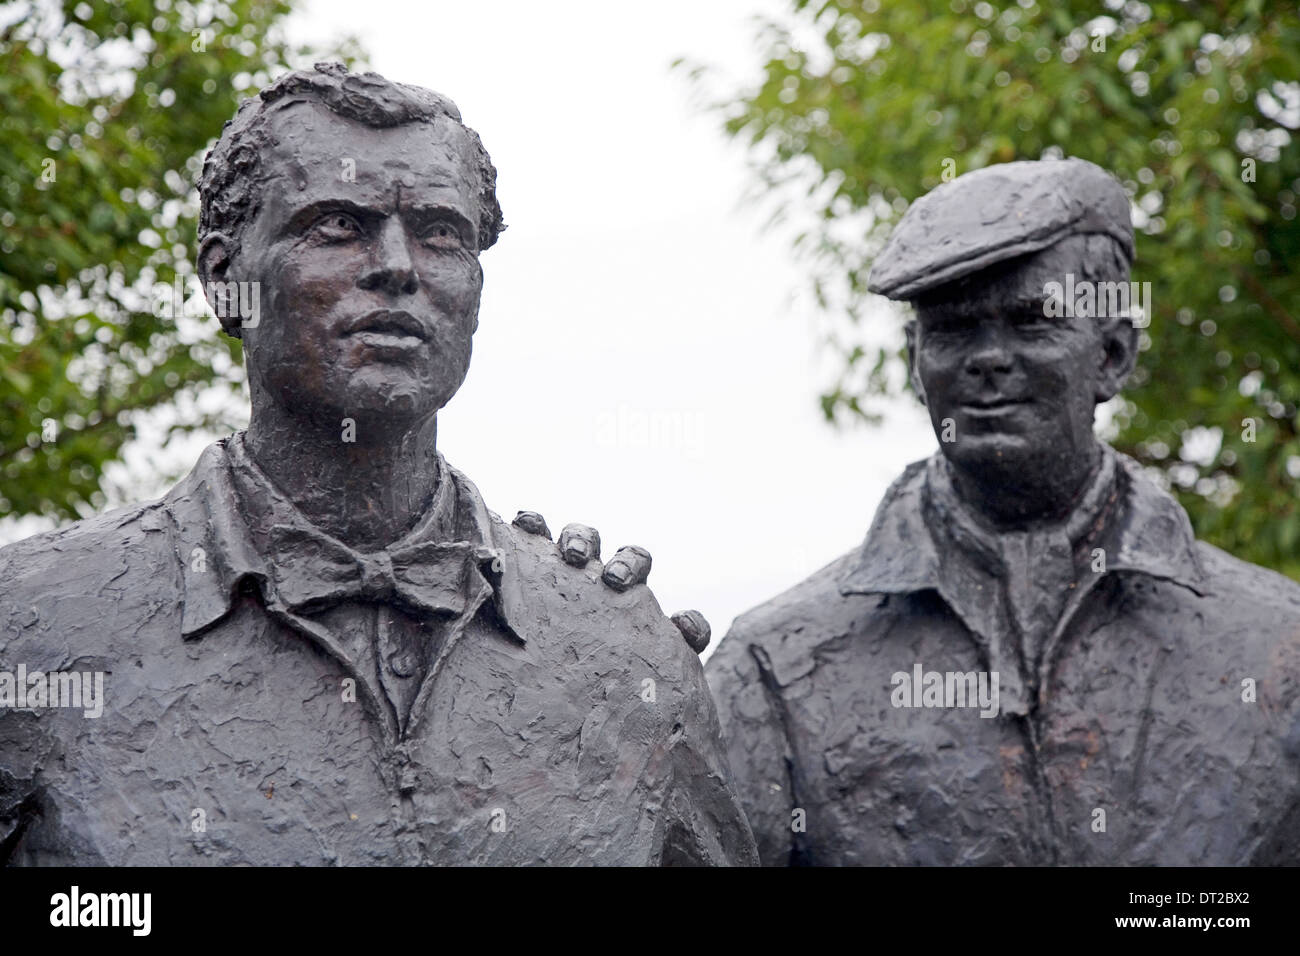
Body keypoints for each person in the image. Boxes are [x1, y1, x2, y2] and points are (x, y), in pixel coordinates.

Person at [0, 63, 756, 866]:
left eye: (440, 233)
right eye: (337, 225)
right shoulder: (30, 630)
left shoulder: (623, 656)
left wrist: (619, 639)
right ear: (225, 279)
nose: (399, 265)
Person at [706, 157, 1300, 866]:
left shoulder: (1279, 649)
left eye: (1031, 321)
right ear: (915, 366)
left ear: (1112, 354)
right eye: (954, 330)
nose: (989, 359)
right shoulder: (774, 667)